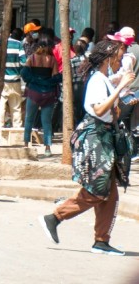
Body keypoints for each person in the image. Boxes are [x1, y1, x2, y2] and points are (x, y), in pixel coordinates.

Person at [40, 39, 136, 256]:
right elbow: (100, 109)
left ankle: (101, 241)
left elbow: (109, 109)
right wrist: (120, 86)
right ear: (109, 57)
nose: (121, 59)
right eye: (119, 55)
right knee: (97, 190)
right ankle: (55, 217)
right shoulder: (96, 81)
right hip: (95, 139)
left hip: (104, 138)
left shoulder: (103, 79)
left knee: (109, 193)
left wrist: (120, 94)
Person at [21, 29, 61, 157]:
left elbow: (24, 74)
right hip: (48, 94)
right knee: (46, 122)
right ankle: (48, 148)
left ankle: (26, 144)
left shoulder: (32, 58)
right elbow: (56, 77)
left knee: (29, 119)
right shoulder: (52, 60)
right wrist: (47, 82)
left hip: (33, 92)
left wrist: (34, 81)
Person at [0, 26, 27, 135]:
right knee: (16, 108)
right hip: (15, 81)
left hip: (0, 83)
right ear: (9, 33)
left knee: (0, 108)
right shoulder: (18, 44)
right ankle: (17, 133)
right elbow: (24, 62)